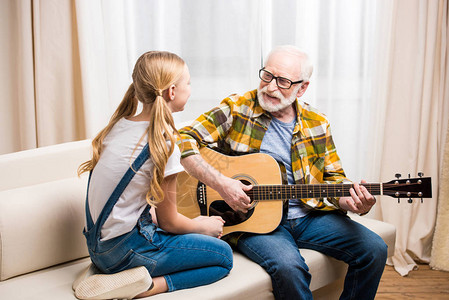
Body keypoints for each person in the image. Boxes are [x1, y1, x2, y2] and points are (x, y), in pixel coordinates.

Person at [178, 45, 388, 299]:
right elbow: (184, 138)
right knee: (289, 268)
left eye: (283, 81)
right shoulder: (237, 108)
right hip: (253, 221)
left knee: (374, 248)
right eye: (267, 75)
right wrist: (222, 183)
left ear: (302, 88)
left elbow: (334, 179)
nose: (270, 87)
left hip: (309, 216)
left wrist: (352, 202)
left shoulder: (317, 122)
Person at [76, 51, 233, 300]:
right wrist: (202, 227)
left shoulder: (119, 126)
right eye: (188, 83)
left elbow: (136, 203)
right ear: (172, 91)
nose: (190, 89)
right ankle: (142, 287)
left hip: (98, 248)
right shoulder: (163, 142)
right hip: (124, 252)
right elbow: (169, 222)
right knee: (224, 257)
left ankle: (110, 273)